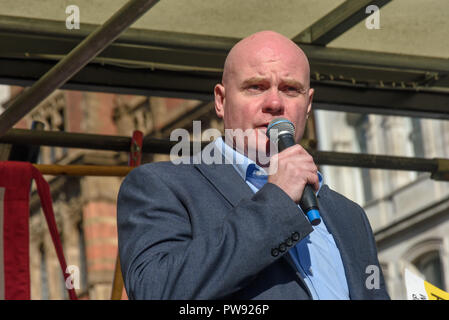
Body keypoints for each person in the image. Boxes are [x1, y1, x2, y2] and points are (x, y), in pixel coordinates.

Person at [117, 31, 390, 300]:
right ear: (221, 101)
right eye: (255, 87)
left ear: (308, 104)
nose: (274, 103)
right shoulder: (162, 186)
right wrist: (278, 201)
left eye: (290, 89)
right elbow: (154, 290)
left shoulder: (349, 215)